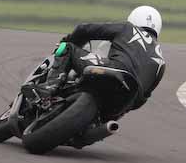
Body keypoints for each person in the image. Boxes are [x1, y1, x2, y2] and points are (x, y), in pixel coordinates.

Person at [31, 6, 166, 115]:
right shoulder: (161, 60)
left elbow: (84, 29)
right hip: (126, 98)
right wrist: (126, 107)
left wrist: (67, 42)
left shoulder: (128, 28)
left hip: (114, 69)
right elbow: (144, 96)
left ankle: (49, 88)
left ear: (133, 18)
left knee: (67, 48)